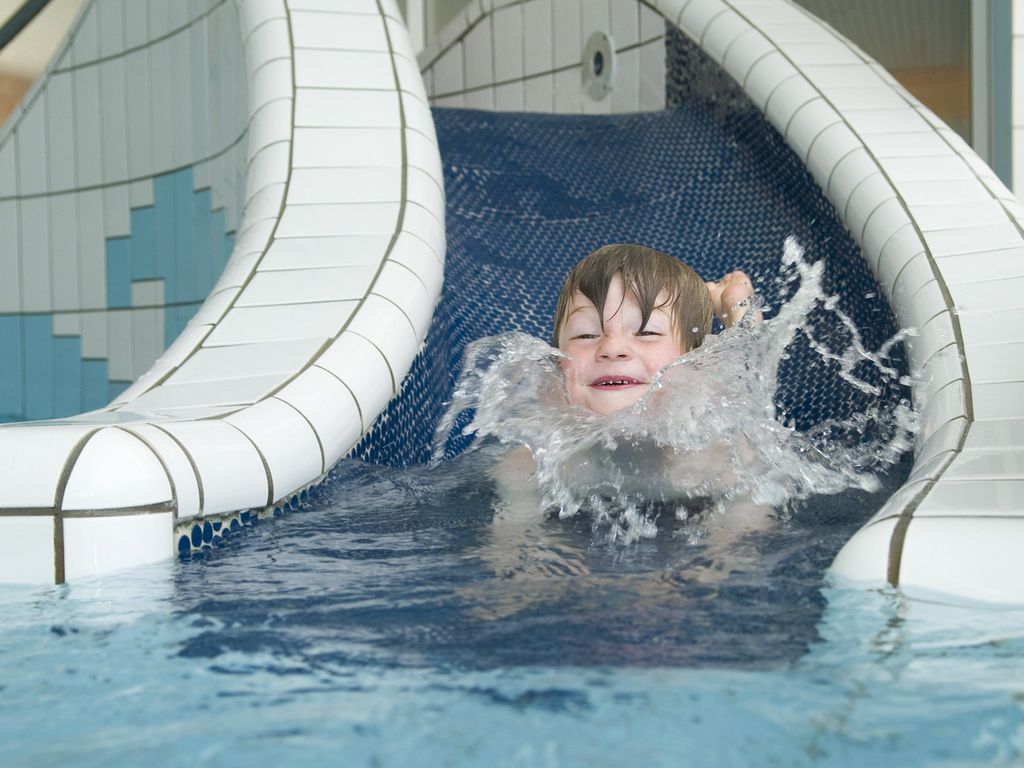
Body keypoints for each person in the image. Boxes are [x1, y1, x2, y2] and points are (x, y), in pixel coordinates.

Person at [553, 243, 757, 415]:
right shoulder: (543, 425)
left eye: (646, 332)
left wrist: (739, 310)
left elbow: (752, 383)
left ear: (696, 359)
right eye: (585, 335)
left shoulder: (707, 430)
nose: (612, 349)